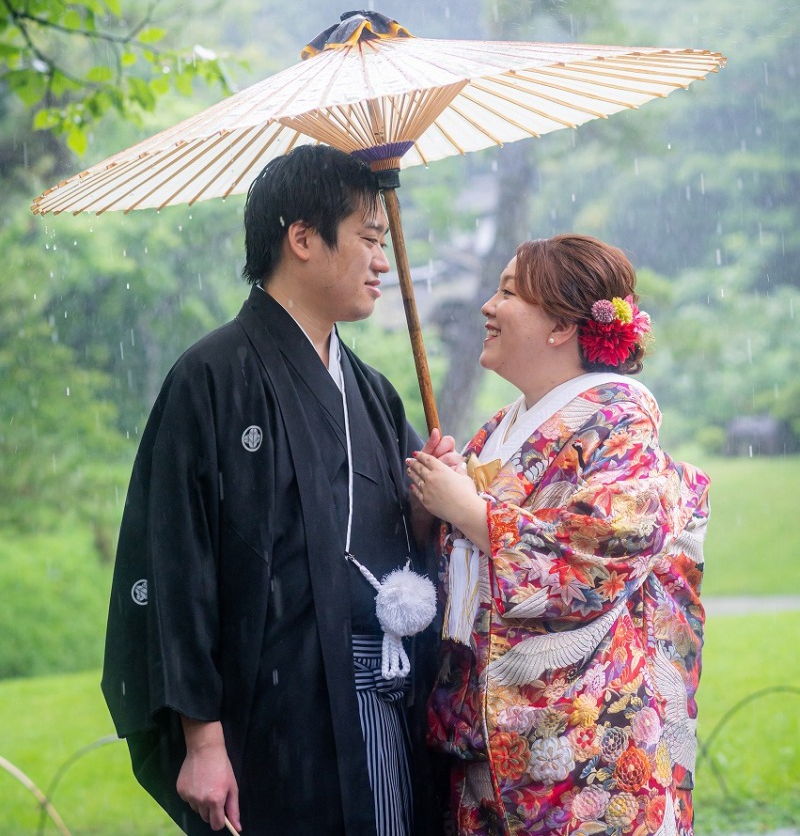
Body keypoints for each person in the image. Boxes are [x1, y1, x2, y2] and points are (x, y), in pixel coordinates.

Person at [102, 145, 457, 836]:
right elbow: (178, 565)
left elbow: (395, 539)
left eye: (384, 241)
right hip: (269, 710)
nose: (382, 260)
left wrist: (421, 510)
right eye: (368, 237)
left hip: (380, 701)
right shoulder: (210, 378)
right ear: (301, 238)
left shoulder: (375, 392)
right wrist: (203, 741)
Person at [408, 235, 709, 836]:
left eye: (509, 292)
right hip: (487, 748)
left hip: (583, 750)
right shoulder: (501, 429)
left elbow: (599, 556)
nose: (488, 307)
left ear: (561, 327)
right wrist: (431, 508)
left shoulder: (622, 421)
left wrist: (471, 511)